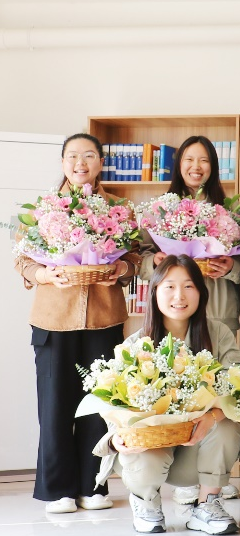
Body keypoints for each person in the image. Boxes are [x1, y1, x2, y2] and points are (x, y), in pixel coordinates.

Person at [16, 133, 140, 514]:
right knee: (55, 406)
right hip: (53, 320)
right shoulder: (43, 209)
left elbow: (135, 257)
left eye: (89, 155)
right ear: (62, 162)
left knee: (100, 406)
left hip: (104, 320)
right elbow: (23, 259)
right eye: (72, 156)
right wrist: (44, 274)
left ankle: (94, 485)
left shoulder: (119, 209)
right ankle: (57, 489)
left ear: (100, 162)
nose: (80, 163)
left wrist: (122, 268)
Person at [94, 255, 240, 534]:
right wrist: (117, 438)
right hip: (152, 452)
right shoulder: (135, 344)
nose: (179, 296)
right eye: (169, 287)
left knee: (228, 422)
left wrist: (211, 417)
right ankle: (145, 502)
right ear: (154, 292)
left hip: (195, 452)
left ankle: (207, 505)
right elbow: (114, 404)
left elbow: (237, 389)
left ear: (201, 292)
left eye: (188, 286)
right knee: (135, 435)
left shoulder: (219, 334)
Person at [139, 135, 240, 504]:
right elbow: (141, 256)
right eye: (189, 160)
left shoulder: (229, 212)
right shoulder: (159, 212)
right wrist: (154, 262)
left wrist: (231, 267)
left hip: (218, 304)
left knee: (216, 381)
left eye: (204, 161)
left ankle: (213, 472)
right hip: (175, 305)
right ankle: (186, 474)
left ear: (214, 166)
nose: (196, 167)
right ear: (178, 165)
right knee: (174, 381)